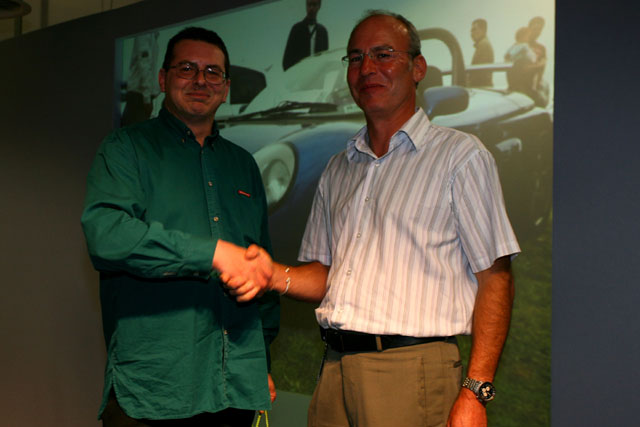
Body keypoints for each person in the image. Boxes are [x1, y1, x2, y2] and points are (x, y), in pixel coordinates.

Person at [226, 10, 520, 427]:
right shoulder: (338, 168)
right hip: (334, 370)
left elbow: (496, 277)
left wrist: (476, 391)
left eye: (383, 55)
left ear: (418, 68)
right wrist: (273, 274)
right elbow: (325, 275)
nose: (367, 68)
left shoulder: (461, 157)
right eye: (356, 58)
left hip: (412, 371)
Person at [81, 26, 278, 427]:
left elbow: (262, 270)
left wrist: (262, 359)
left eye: (213, 72)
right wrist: (212, 253)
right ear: (162, 79)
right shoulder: (125, 149)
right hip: (152, 389)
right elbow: (107, 234)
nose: (201, 80)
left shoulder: (244, 165)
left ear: (226, 87)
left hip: (234, 388)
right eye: (187, 68)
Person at [282, 0, 329, 71]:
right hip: (301, 75)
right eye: (309, 5)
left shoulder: (322, 31)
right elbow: (286, 61)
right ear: (306, 6)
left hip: (318, 75)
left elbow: (325, 58)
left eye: (314, 5)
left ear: (319, 6)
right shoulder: (296, 29)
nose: (311, 8)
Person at [527, 16, 550, 106]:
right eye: (535, 29)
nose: (537, 32)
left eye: (540, 29)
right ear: (529, 29)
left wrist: (537, 86)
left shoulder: (541, 48)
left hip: (535, 88)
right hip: (521, 88)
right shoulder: (520, 46)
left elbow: (542, 69)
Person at [468, 18, 494, 87]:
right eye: (471, 31)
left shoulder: (483, 45)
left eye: (474, 30)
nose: (471, 33)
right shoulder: (482, 44)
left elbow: (479, 73)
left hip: (481, 87)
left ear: (483, 30)